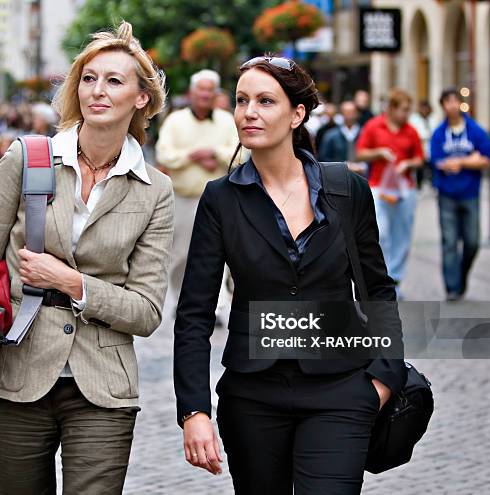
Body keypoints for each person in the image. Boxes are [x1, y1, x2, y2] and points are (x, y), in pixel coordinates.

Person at [0, 21, 173, 495]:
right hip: (16, 373)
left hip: (104, 385)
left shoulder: (155, 190)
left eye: (114, 81)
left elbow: (147, 312)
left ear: (141, 99)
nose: (97, 90)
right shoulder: (27, 158)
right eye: (89, 77)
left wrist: (73, 283)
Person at [174, 55, 406, 494]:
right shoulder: (221, 199)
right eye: (242, 100)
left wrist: (381, 379)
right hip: (252, 397)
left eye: (265, 100)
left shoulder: (346, 189)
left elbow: (377, 288)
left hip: (341, 389)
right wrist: (194, 410)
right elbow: (194, 314)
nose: (249, 112)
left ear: (297, 114)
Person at [155, 69, 239, 315]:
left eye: (209, 89)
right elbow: (164, 154)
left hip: (220, 201)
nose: (204, 94)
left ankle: (215, 306)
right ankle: (182, 302)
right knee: (181, 255)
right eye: (200, 89)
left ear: (215, 93)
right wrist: (192, 157)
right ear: (192, 93)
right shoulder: (175, 121)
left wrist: (214, 153)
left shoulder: (227, 121)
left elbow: (240, 154)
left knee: (219, 258)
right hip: (183, 199)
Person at [355, 88, 424, 296]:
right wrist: (379, 153)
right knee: (381, 233)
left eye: (408, 110)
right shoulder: (374, 126)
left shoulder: (411, 130)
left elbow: (420, 158)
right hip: (378, 186)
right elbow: (360, 153)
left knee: (402, 235)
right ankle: (381, 277)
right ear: (392, 109)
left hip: (405, 189)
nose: (406, 114)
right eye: (403, 109)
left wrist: (408, 164)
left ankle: (395, 279)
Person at [430, 88, 490, 301]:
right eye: (447, 102)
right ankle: (452, 288)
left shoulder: (475, 130)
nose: (452, 106)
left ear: (460, 104)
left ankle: (461, 275)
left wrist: (460, 162)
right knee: (449, 241)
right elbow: (437, 161)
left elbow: (487, 159)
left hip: (470, 193)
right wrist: (470, 159)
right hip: (446, 194)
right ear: (442, 106)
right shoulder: (439, 133)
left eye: (455, 101)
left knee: (472, 241)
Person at [317, 100, 366, 175]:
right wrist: (343, 166)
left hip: (362, 176)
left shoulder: (364, 133)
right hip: (338, 177)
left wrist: (363, 166)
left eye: (352, 111)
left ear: (357, 113)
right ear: (341, 114)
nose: (349, 115)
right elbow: (323, 159)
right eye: (346, 112)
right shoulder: (331, 135)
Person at [409, 100, 435, 189]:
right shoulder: (414, 119)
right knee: (420, 168)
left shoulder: (433, 118)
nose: (424, 110)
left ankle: (432, 184)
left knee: (430, 168)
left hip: (430, 147)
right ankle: (419, 185)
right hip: (419, 146)